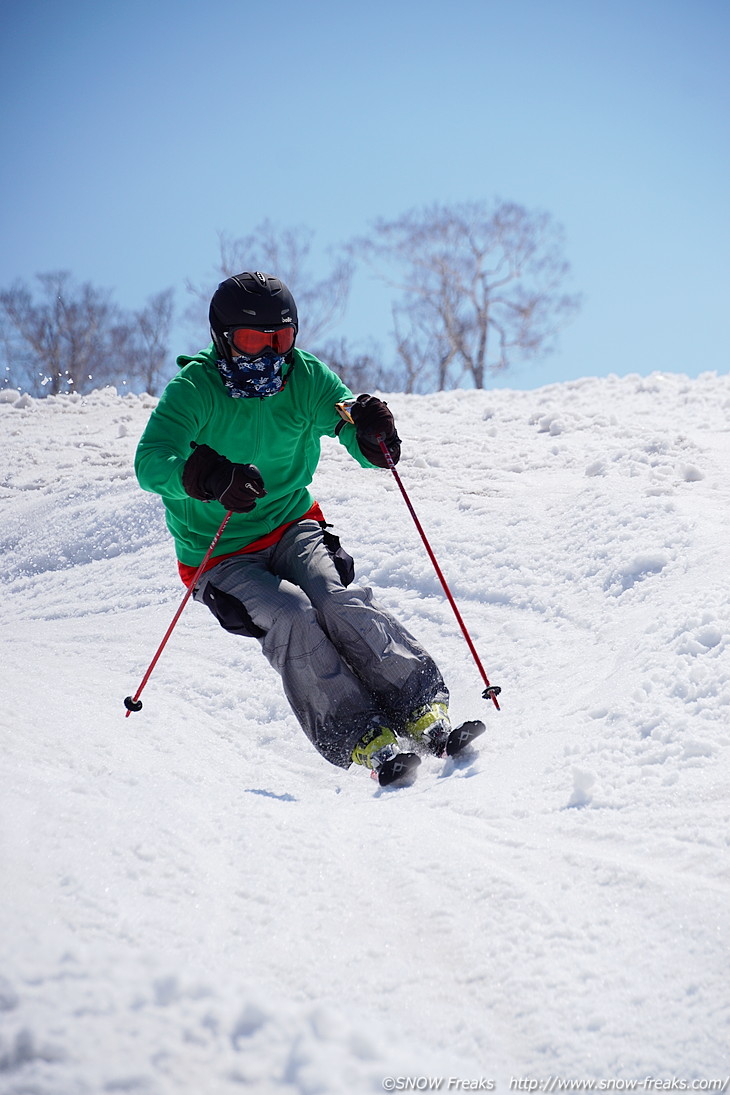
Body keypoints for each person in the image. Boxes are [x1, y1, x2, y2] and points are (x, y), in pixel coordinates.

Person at [134, 271, 451, 785]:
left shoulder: (305, 377)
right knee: (294, 616)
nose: (267, 354)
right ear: (222, 338)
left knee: (335, 599)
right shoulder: (195, 390)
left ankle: (419, 705)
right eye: (252, 339)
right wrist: (204, 477)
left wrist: (373, 436)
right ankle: (360, 736)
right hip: (220, 553)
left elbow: (350, 427)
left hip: (291, 525)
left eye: (278, 339)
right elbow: (151, 462)